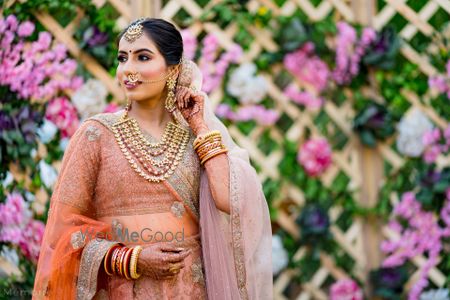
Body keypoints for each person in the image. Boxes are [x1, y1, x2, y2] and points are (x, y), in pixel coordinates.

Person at [32, 18, 272, 300]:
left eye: (142, 57)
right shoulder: (96, 135)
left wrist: (199, 125)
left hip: (190, 289)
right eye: (123, 58)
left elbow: (231, 201)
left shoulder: (194, 137)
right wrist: (130, 260)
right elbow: (62, 235)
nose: (128, 70)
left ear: (172, 70)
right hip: (121, 289)